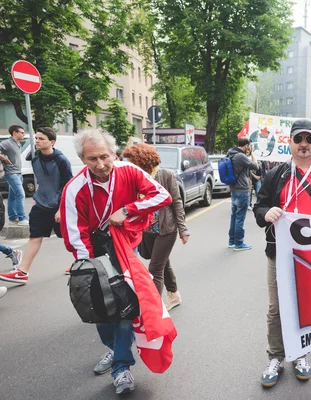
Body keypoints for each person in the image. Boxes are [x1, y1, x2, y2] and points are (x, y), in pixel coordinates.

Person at [60, 129, 172, 395]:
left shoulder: (129, 171)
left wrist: (127, 210)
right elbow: (74, 234)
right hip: (92, 256)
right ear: (81, 159)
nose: (100, 165)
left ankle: (122, 366)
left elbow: (161, 196)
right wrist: (93, 272)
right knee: (99, 310)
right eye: (92, 159)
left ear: (114, 153)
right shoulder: (74, 188)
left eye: (104, 157)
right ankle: (114, 349)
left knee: (123, 310)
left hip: (123, 252)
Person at [253, 119, 311, 388]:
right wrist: (266, 213)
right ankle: (276, 356)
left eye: (308, 139)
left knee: (305, 306)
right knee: (276, 307)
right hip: (279, 253)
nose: (303, 145)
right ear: (290, 144)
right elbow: (259, 208)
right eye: (298, 139)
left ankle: (300, 353)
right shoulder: (276, 174)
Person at [0, 128, 72, 284]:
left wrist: (61, 208)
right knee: (35, 237)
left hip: (59, 205)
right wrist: (37, 196)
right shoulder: (35, 159)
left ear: (51, 142)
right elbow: (40, 179)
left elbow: (68, 185)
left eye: (41, 138)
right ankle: (22, 272)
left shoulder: (61, 160)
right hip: (40, 205)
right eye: (36, 138)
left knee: (68, 237)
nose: (37, 141)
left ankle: (82, 263)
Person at [122, 144, 189, 310]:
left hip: (166, 229)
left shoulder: (165, 175)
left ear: (143, 162)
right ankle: (174, 294)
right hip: (146, 229)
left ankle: (154, 309)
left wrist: (183, 229)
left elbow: (177, 202)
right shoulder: (135, 177)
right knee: (163, 263)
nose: (129, 165)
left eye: (133, 162)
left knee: (155, 268)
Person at [226, 137, 258, 251]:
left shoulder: (230, 153)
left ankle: (232, 241)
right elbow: (256, 166)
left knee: (234, 216)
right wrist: (253, 153)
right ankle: (239, 244)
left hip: (233, 189)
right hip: (242, 190)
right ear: (246, 145)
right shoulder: (241, 156)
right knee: (240, 218)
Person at [0, 125, 28, 225]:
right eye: (22, 132)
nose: (23, 134)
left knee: (12, 196)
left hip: (18, 172)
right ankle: (22, 218)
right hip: (11, 173)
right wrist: (4, 159)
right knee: (20, 194)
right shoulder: (7, 143)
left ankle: (12, 217)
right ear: (15, 133)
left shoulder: (18, 144)